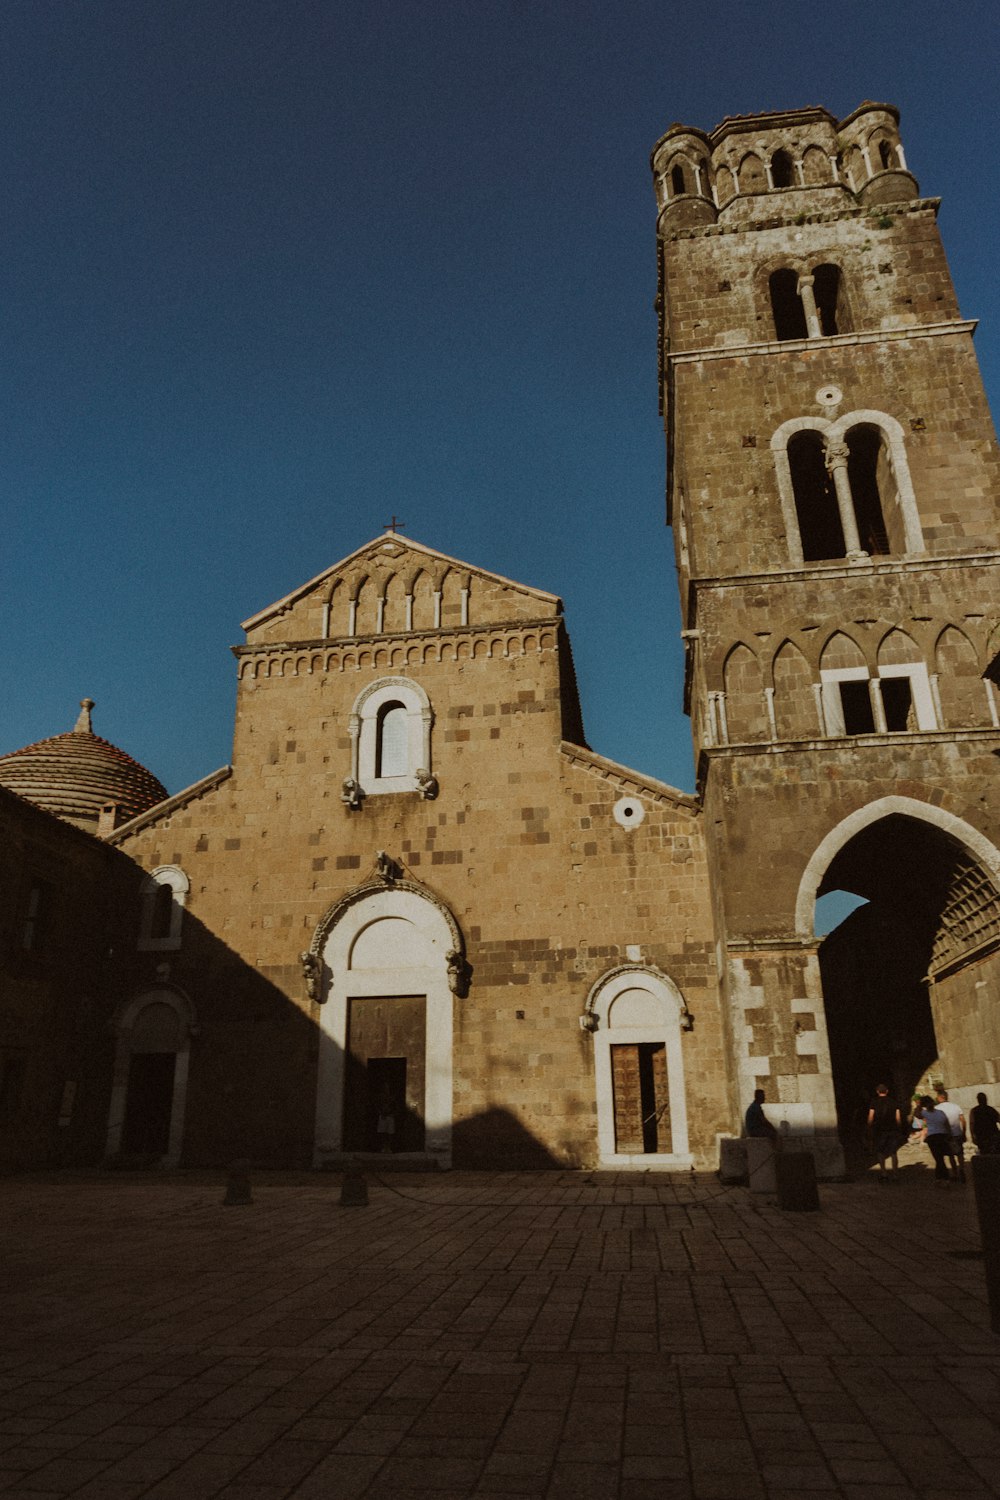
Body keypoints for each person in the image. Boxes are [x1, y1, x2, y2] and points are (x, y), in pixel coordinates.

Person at [915, 1094, 959, 1184]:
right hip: (943, 1136)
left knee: (938, 1158)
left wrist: (919, 1105)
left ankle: (944, 1178)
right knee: (941, 1158)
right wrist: (950, 1136)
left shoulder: (925, 1113)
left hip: (932, 1137)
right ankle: (940, 1178)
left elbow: (916, 1114)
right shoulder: (940, 1112)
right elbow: (947, 1125)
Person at [867, 1083, 902, 1180]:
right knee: (893, 1152)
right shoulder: (894, 1102)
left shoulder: (874, 1102)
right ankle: (895, 1174)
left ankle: (884, 1173)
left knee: (880, 1151)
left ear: (877, 1091)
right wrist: (899, 1128)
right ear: (887, 1091)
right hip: (892, 1129)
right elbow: (898, 1118)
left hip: (879, 1130)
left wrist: (869, 1127)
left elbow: (871, 1116)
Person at [935, 1088, 966, 1183]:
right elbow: (963, 1120)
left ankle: (955, 1173)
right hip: (957, 1133)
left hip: (946, 1135)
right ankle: (961, 1169)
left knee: (950, 1155)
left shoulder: (937, 1108)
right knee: (960, 1153)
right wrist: (964, 1132)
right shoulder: (956, 1106)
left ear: (940, 1097)